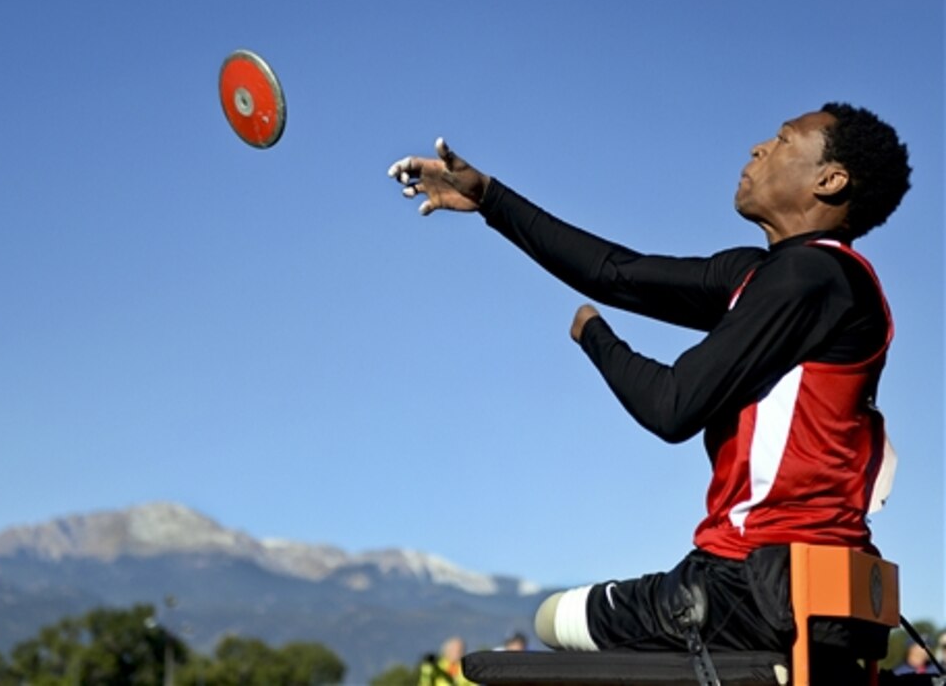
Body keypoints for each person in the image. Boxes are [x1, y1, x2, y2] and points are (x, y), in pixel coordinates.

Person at [388, 104, 911, 666]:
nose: (759, 147)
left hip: (753, 586)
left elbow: (672, 406)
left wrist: (594, 337)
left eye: (784, 140)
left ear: (830, 180)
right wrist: (489, 197)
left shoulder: (811, 277)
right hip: (817, 586)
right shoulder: (772, 275)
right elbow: (614, 271)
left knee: (553, 619)